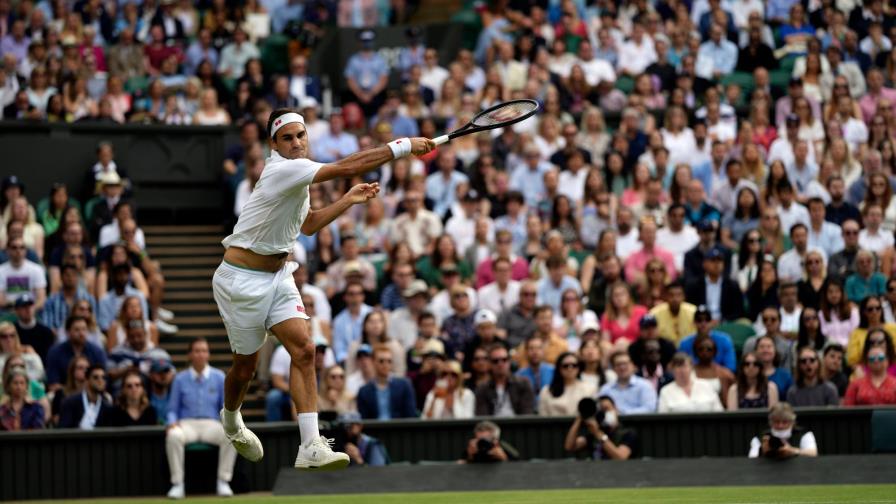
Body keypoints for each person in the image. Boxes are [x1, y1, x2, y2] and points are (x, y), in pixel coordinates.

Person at [211, 107, 434, 468]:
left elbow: (309, 224)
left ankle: (311, 445)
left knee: (304, 350)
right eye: (288, 138)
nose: (297, 143)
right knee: (245, 369)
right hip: (240, 281)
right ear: (273, 145)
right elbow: (346, 166)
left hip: (279, 275)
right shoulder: (284, 169)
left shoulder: (297, 178)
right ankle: (232, 419)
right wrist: (404, 146)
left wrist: (347, 200)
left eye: (301, 135)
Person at [164, 338, 235, 499]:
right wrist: (171, 422)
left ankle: (223, 482)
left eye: (204, 350)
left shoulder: (218, 376)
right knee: (173, 436)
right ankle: (177, 484)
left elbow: (225, 407)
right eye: (197, 350)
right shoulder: (180, 378)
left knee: (232, 436)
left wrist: (229, 423)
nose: (201, 354)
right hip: (187, 424)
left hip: (211, 424)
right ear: (190, 355)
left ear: (208, 354)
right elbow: (172, 409)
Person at [563, 395, 637, 460]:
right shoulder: (594, 434)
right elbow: (569, 447)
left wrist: (598, 434)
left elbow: (620, 457)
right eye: (601, 410)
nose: (604, 413)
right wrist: (579, 419)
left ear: (616, 409)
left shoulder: (628, 433)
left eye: (607, 409)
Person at [45, 315, 107, 392]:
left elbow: (103, 380)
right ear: (67, 332)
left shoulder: (97, 352)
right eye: (77, 330)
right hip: (63, 395)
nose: (81, 333)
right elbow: (53, 384)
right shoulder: (55, 352)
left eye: (84, 329)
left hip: (92, 393)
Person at [356, 345, 417, 420]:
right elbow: (364, 420)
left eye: (389, 361)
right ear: (373, 362)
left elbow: (410, 416)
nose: (386, 365)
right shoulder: (364, 391)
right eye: (381, 361)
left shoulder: (404, 385)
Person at [474, 343, 535, 417]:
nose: (500, 364)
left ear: (509, 362)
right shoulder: (483, 388)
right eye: (495, 361)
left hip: (519, 426)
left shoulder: (523, 384)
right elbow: (482, 417)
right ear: (490, 364)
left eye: (504, 360)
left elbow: (527, 414)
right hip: (492, 427)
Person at [658, 352, 724, 413]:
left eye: (684, 366)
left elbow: (719, 411)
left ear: (691, 367)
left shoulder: (706, 386)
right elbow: (662, 418)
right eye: (678, 366)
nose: (682, 370)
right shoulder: (665, 391)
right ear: (672, 369)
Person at [748, 402, 818, 458]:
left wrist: (792, 450)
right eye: (776, 421)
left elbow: (813, 453)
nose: (780, 426)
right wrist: (762, 451)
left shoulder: (805, 435)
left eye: (784, 422)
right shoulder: (759, 438)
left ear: (792, 422)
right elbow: (752, 458)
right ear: (771, 422)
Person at [678, 305, 737, 372]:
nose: (703, 323)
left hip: (718, 378)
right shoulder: (684, 343)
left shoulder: (725, 340)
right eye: (699, 320)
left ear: (712, 322)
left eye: (707, 319)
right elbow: (679, 367)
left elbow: (731, 367)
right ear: (694, 322)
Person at [843, 333, 896, 406]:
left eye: (880, 357)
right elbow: (847, 408)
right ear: (867, 362)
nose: (876, 360)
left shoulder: (894, 383)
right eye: (872, 358)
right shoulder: (856, 384)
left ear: (887, 360)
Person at [598, 350, 657, 414]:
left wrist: (621, 413)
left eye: (625, 363)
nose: (622, 367)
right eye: (618, 364)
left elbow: (649, 409)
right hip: (613, 423)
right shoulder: (606, 389)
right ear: (613, 368)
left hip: (640, 423)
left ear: (633, 366)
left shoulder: (645, 385)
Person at [538, 352, 597, 416]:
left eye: (574, 365)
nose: (570, 368)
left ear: (579, 368)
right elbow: (543, 417)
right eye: (565, 366)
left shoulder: (590, 389)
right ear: (559, 368)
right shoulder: (546, 391)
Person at [58, 364, 113, 429]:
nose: (100, 380)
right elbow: (63, 430)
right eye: (95, 377)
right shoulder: (70, 403)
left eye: (103, 378)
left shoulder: (107, 407)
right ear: (87, 380)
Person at [0, 365, 44, 431]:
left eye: (22, 383)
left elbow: (37, 428)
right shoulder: (2, 409)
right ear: (8, 385)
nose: (19, 387)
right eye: (15, 383)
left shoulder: (36, 407)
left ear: (26, 386)